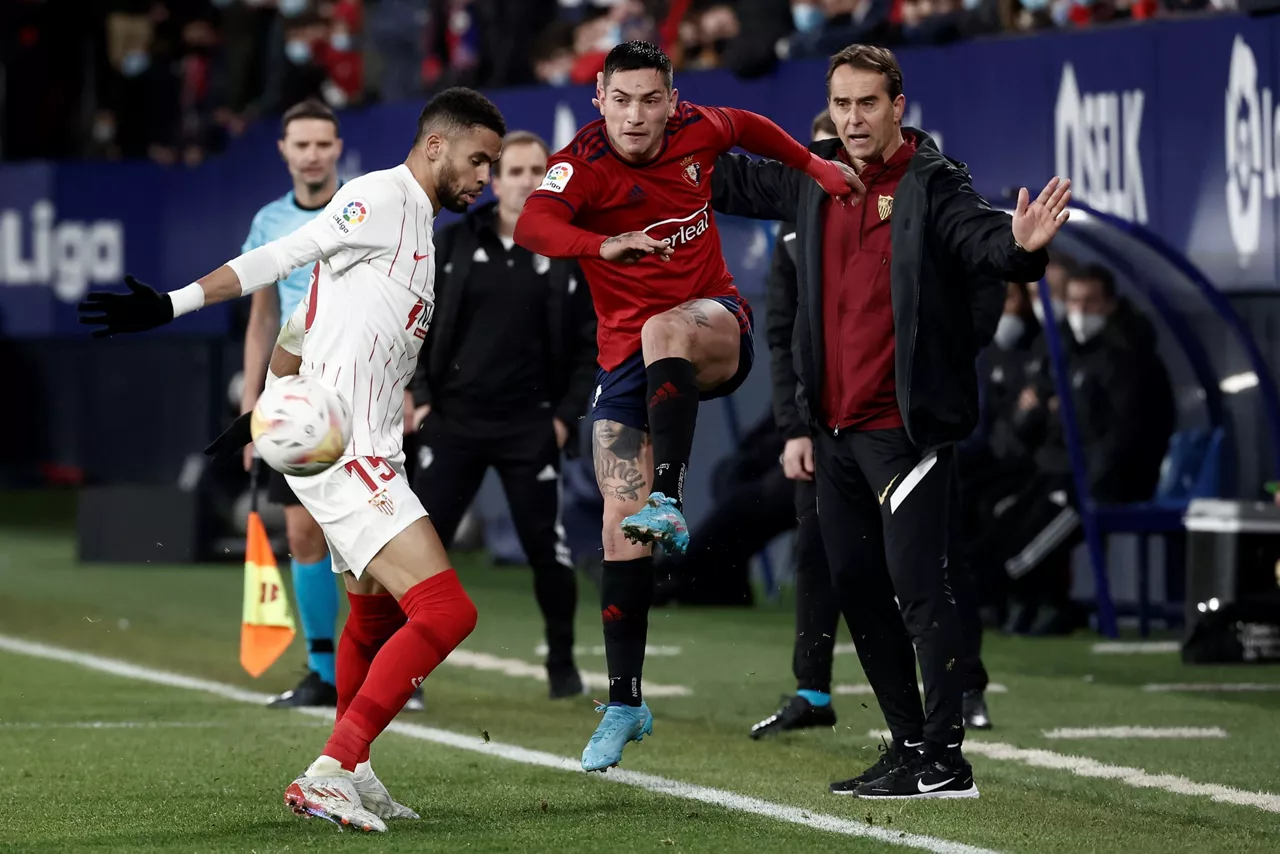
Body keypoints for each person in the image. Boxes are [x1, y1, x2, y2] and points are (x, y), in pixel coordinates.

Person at [78, 87, 507, 834]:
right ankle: (331, 769)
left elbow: (307, 318)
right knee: (447, 610)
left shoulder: (420, 231)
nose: (487, 179)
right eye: (480, 160)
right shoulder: (379, 196)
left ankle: (357, 770)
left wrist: (269, 402)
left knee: (370, 610)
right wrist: (173, 304)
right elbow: (284, 258)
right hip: (347, 453)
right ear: (436, 146)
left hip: (369, 447)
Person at [710, 44, 1070, 799]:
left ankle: (945, 756)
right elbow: (732, 178)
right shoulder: (814, 179)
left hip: (903, 430)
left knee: (919, 591)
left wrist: (1022, 249)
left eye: (867, 104)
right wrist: (648, 144)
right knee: (856, 587)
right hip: (834, 428)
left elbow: (983, 238)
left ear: (897, 106)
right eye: (841, 105)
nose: (852, 119)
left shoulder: (933, 182)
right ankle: (908, 745)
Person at [513, 39, 862, 773]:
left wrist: (816, 165)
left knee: (662, 325)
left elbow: (753, 128)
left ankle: (671, 496)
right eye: (622, 99)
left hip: (711, 326)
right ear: (598, 99)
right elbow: (533, 226)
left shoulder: (699, 127)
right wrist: (601, 247)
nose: (636, 115)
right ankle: (625, 701)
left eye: (650, 99)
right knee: (617, 521)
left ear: (672, 101)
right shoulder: (581, 163)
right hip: (625, 361)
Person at [407, 129, 598, 699]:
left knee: (548, 549)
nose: (525, 181)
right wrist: (418, 397)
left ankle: (561, 663)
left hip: (529, 427)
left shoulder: (569, 247)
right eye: (513, 171)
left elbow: (591, 343)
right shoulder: (456, 240)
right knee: (421, 548)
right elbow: (415, 320)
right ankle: (407, 672)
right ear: (494, 176)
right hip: (454, 423)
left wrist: (564, 417)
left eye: (538, 171)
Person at [994, 263, 1175, 635]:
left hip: (1107, 482)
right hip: (1061, 470)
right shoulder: (1064, 351)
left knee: (1028, 541)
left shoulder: (1128, 358)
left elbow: (1123, 438)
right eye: (1074, 301)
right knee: (1006, 513)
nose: (1080, 311)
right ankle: (1039, 603)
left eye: (1090, 302)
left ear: (1109, 304)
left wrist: (1087, 481)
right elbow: (1032, 419)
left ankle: (1025, 597)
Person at [238, 99, 345, 709]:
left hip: (357, 391)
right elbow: (262, 317)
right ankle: (323, 673)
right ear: (284, 150)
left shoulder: (362, 207)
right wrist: (253, 406)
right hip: (294, 400)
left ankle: (391, 673)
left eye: (322, 144)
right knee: (303, 533)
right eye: (300, 144)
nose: (311, 155)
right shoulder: (268, 223)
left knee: (370, 537)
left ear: (337, 148)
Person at [749, 109, 842, 739]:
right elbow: (779, 333)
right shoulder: (793, 226)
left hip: (895, 417)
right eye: (822, 152)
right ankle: (813, 690)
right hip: (822, 419)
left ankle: (964, 687)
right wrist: (794, 427)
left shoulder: (908, 207)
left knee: (926, 558)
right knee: (814, 551)